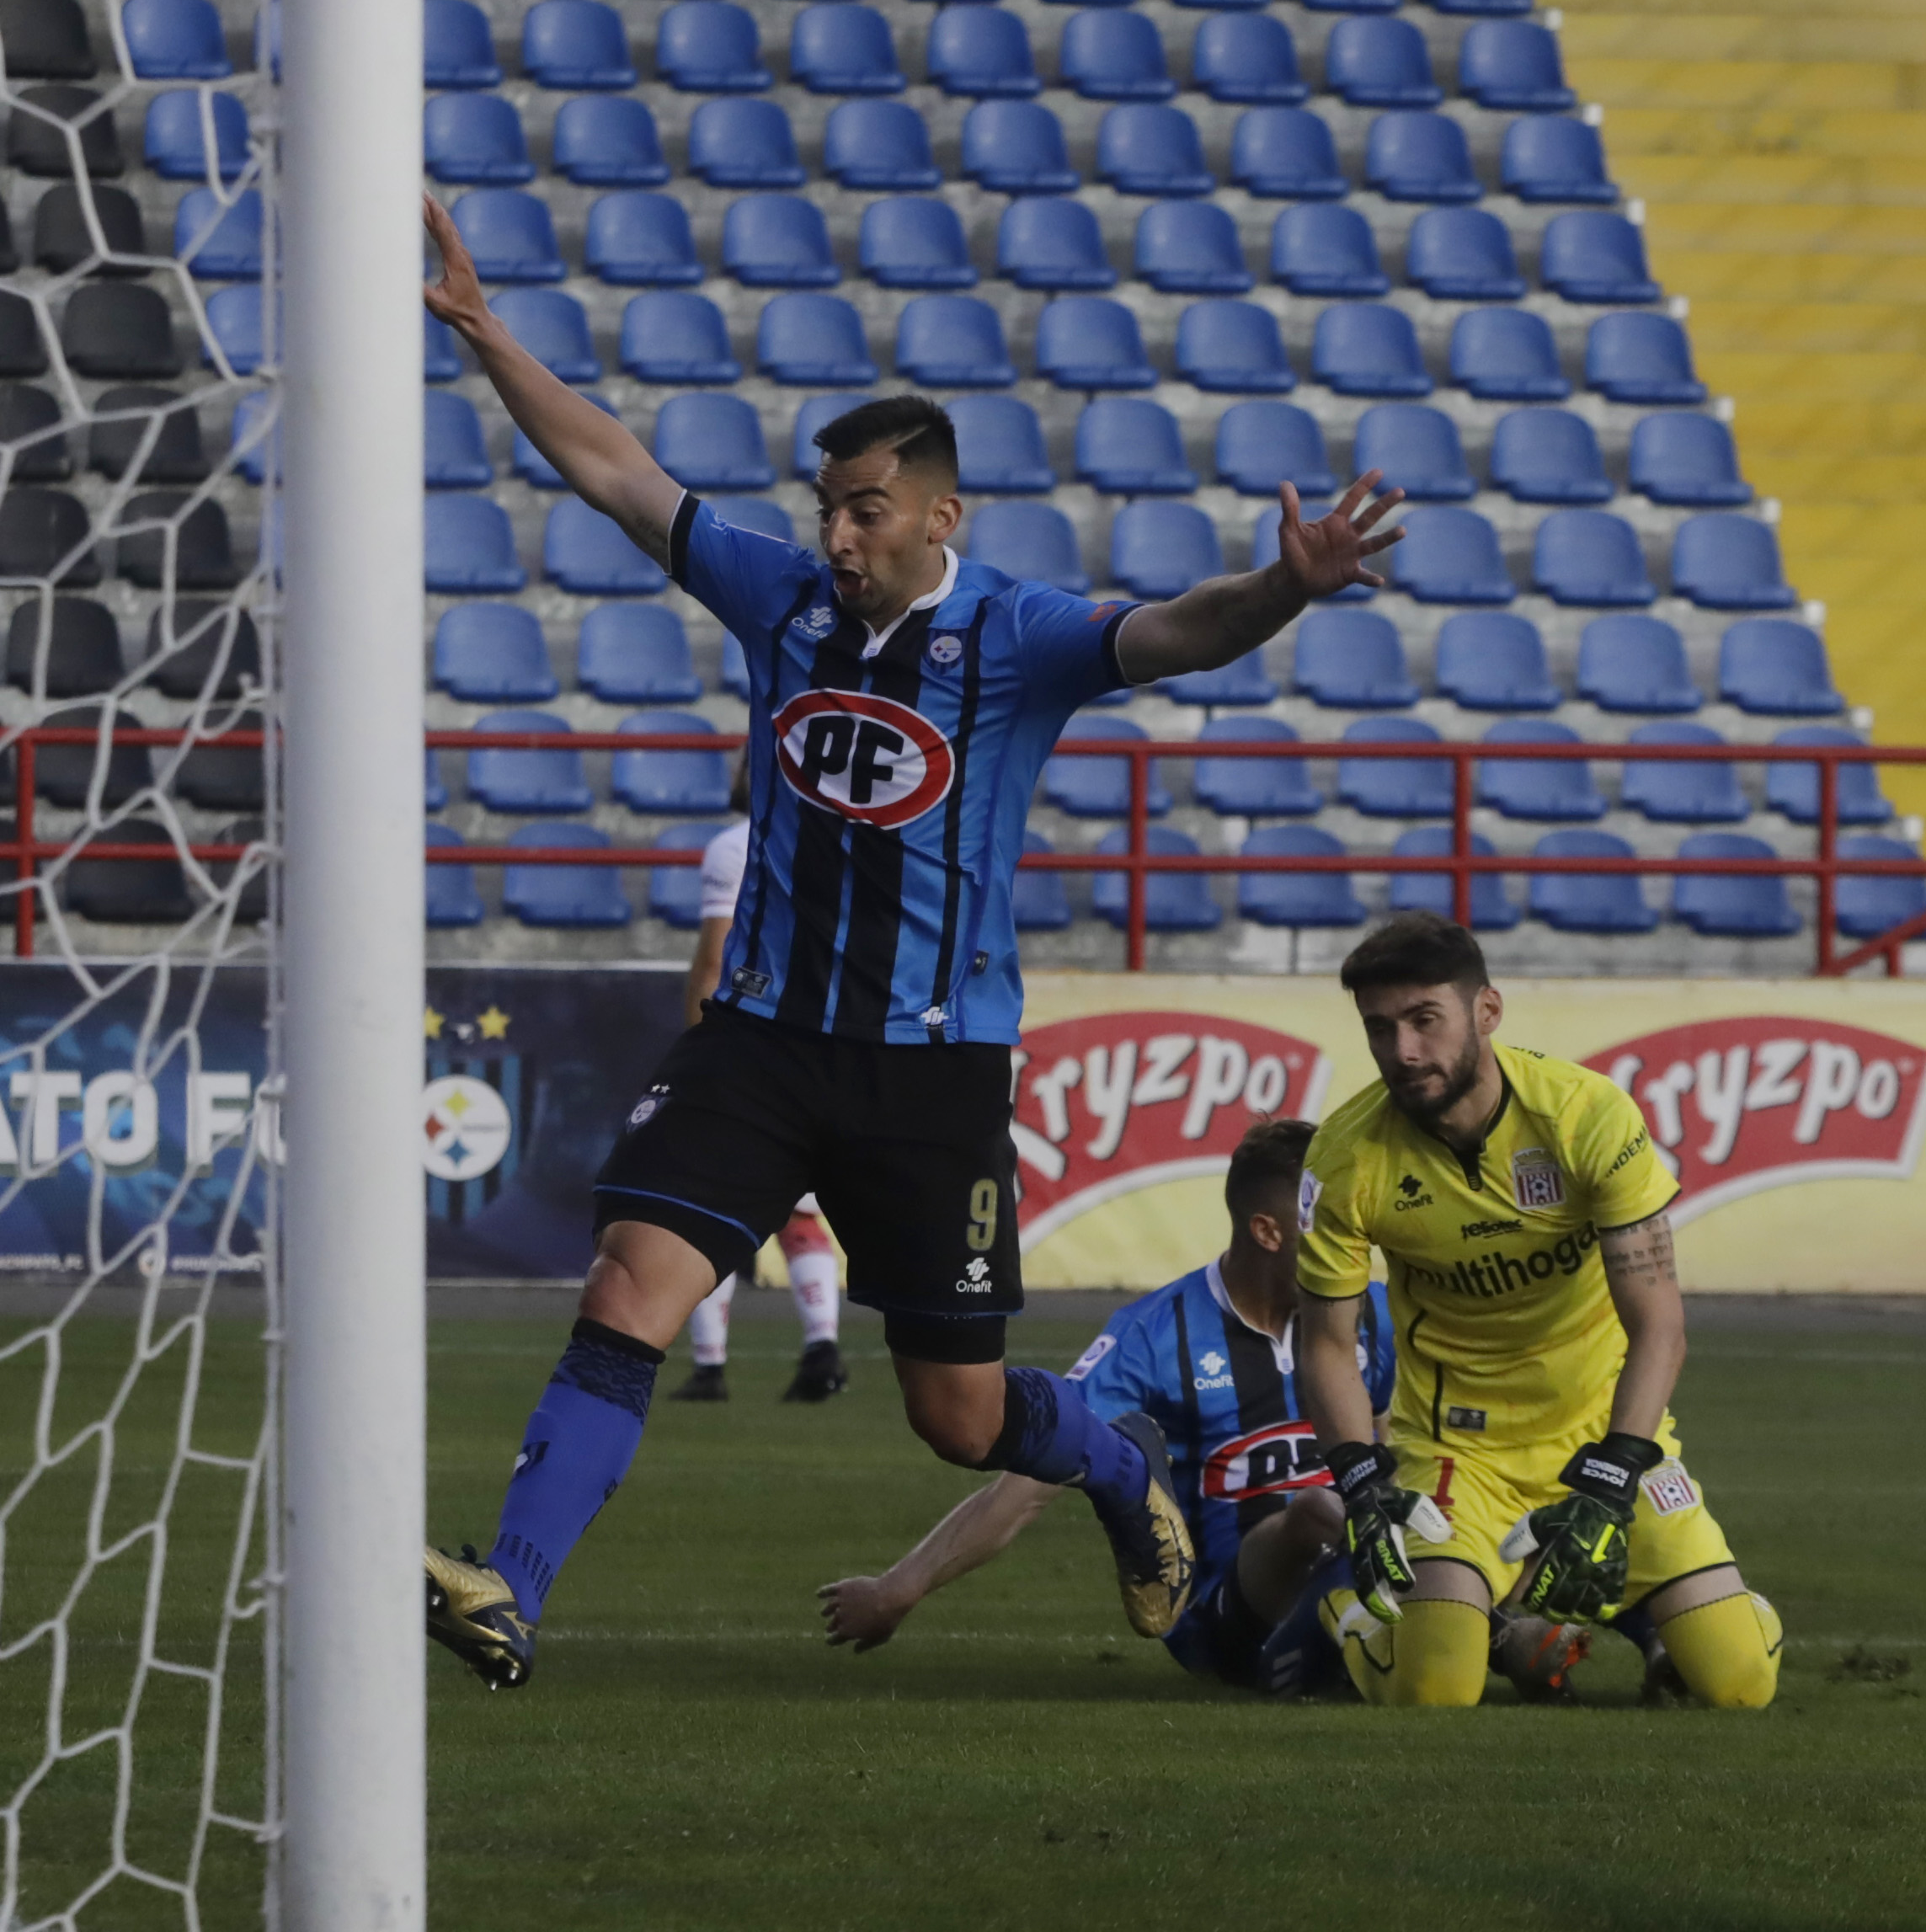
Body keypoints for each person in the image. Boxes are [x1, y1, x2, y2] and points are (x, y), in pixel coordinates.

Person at [413, 194, 1411, 1691]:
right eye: (826, 504)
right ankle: (509, 1584)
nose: (835, 532)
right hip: (759, 1036)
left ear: (938, 515)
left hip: (930, 1069)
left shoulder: (1018, 636)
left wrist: (1287, 582)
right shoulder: (780, 602)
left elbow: (1182, 631)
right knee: (628, 1282)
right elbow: (620, 474)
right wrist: (491, 336)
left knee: (949, 1413)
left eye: (864, 507)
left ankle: (1109, 1469)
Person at [813, 1119, 1591, 1699]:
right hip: (1224, 1606)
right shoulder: (1155, 1334)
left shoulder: (1375, 1315)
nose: (1350, 1242)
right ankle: (1487, 1637)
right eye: (1326, 1225)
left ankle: (1646, 1635)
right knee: (1322, 1504)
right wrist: (898, 1589)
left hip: (1352, 1566)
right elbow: (1029, 1481)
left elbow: (1409, 1446)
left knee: (1480, 1497)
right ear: (1266, 1230)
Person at [1290, 913, 1784, 1709]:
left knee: (1737, 1686)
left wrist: (1615, 1473)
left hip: (1603, 1431)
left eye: (1424, 1021)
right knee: (1436, 1690)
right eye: (1380, 1029)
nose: (1403, 1051)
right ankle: (1347, 1610)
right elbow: (1325, 1345)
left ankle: (1702, 1615)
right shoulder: (1345, 1157)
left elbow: (1658, 1324)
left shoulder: (1586, 1117)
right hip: (1458, 1454)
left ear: (1486, 1011)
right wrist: (1358, 1481)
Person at [670, 819, 845, 1406]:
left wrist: (699, 1064)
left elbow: (713, 963)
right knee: (799, 1210)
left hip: (753, 1050)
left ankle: (709, 1366)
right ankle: (822, 1346)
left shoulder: (737, 842)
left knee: (703, 1206)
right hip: (830, 1047)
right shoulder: (858, 831)